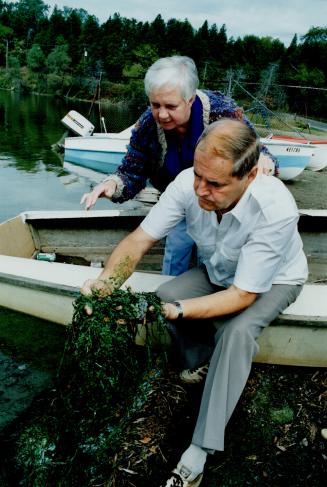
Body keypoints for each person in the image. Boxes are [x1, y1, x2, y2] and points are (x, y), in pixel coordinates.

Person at [81, 118, 307, 487]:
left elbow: (244, 295)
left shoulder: (275, 207)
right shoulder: (189, 183)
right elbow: (139, 240)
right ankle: (199, 362)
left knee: (237, 333)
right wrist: (106, 283)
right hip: (219, 272)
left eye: (215, 184)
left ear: (249, 177)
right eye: (199, 175)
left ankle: (200, 449)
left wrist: (180, 311)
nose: (201, 190)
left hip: (273, 281)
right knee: (166, 293)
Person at [80, 55, 276, 277]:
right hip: (179, 199)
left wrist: (265, 162)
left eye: (171, 106)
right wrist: (112, 184)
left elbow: (257, 152)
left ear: (190, 100)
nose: (161, 114)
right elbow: (131, 170)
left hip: (222, 203)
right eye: (155, 105)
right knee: (176, 249)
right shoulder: (147, 124)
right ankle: (170, 293)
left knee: (215, 257)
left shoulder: (223, 112)